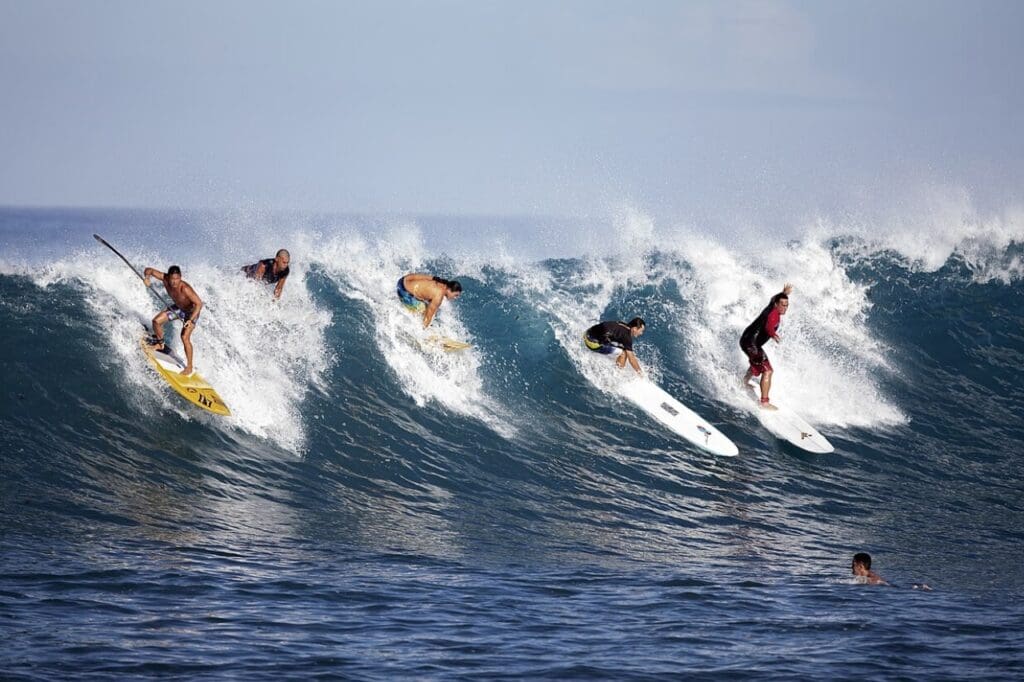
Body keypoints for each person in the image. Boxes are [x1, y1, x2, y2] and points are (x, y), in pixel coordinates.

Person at [740, 283, 794, 410]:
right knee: (768, 371)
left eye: (787, 305)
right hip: (751, 344)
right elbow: (768, 326)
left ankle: (744, 382)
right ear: (776, 304)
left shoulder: (771, 306)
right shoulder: (773, 315)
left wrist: (784, 293)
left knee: (757, 360)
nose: (785, 308)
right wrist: (773, 334)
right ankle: (764, 402)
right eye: (783, 305)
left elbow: (773, 298)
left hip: (747, 341)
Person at [143, 265, 203, 376]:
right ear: (168, 277)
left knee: (184, 337)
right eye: (172, 279)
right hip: (179, 308)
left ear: (180, 277)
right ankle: (160, 344)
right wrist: (147, 278)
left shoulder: (184, 288)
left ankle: (189, 367)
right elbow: (149, 270)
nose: (174, 282)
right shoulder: (164, 278)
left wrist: (190, 320)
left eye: (177, 279)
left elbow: (199, 304)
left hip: (192, 312)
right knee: (156, 321)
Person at [397, 273, 463, 328]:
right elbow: (428, 316)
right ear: (449, 290)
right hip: (403, 292)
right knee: (422, 310)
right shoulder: (439, 295)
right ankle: (414, 328)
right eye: (455, 295)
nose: (455, 298)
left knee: (427, 308)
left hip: (403, 281)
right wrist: (424, 330)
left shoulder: (438, 281)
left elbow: (419, 276)